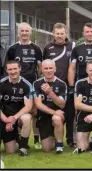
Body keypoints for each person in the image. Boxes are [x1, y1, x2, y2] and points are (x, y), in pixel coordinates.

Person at [5, 22, 43, 150]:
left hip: (32, 85)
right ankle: (19, 137)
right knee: (18, 110)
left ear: (30, 32)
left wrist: (37, 81)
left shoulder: (36, 48)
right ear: (18, 33)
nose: (24, 33)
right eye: (22, 31)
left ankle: (36, 139)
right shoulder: (12, 48)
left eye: (27, 31)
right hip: (16, 84)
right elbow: (8, 66)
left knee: (35, 112)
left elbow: (40, 67)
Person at [42, 23, 77, 148]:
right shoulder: (47, 47)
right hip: (52, 85)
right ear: (53, 34)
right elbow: (44, 66)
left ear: (66, 34)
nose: (59, 36)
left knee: (70, 113)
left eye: (62, 33)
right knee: (53, 112)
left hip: (68, 85)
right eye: (57, 33)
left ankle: (70, 139)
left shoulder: (73, 46)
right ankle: (52, 137)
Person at [33, 59, 67, 154]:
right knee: (46, 149)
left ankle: (59, 146)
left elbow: (62, 104)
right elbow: (38, 104)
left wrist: (50, 93)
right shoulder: (37, 84)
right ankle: (52, 138)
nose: (48, 71)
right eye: (46, 68)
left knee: (57, 118)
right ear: (42, 70)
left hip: (58, 116)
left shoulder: (62, 84)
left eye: (51, 68)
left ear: (55, 69)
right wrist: (54, 112)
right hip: (43, 116)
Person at [0, 60, 34, 156]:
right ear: (6, 70)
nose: (13, 71)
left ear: (20, 68)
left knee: (27, 118)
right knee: (10, 151)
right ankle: (13, 140)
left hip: (19, 117)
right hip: (3, 117)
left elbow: (28, 106)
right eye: (10, 69)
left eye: (15, 68)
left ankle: (23, 147)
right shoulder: (1, 84)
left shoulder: (27, 84)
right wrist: (6, 120)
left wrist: (14, 118)